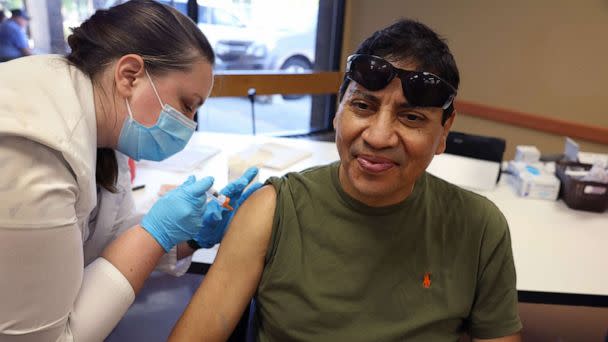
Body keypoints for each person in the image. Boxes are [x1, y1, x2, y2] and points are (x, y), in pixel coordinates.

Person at [170, 19, 523, 341]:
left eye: (411, 117)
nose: (379, 136)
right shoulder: (273, 210)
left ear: (444, 132)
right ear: (338, 111)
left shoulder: (478, 229)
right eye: (363, 107)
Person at [0, 1, 259, 341]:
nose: (190, 125)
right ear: (129, 75)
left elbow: (108, 237)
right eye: (187, 104)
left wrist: (190, 238)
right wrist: (155, 232)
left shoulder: (105, 126)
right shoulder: (34, 147)